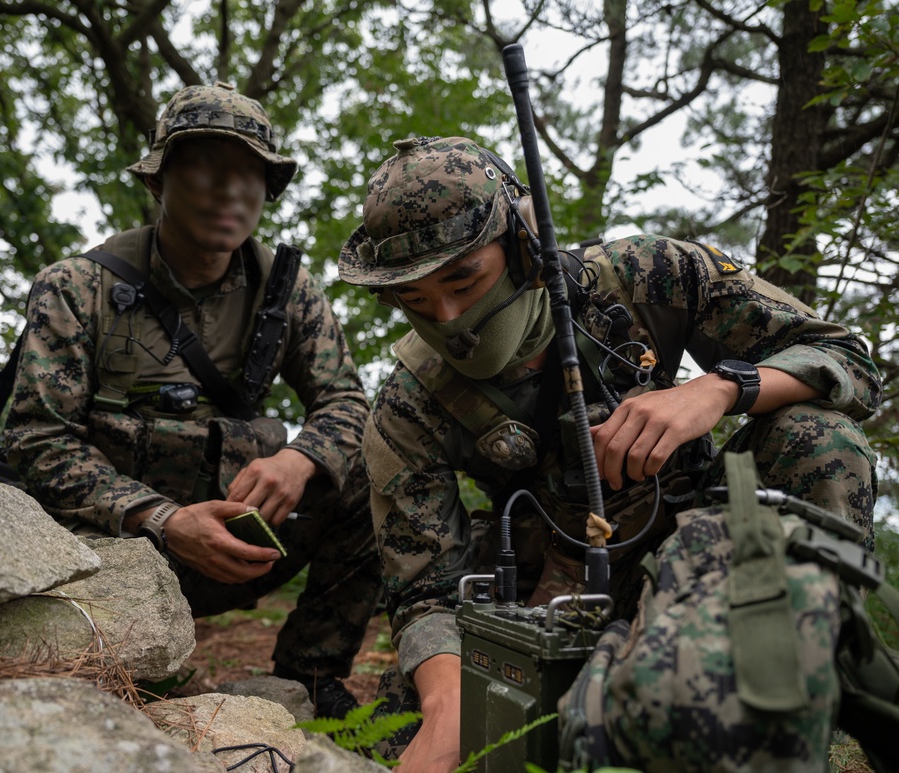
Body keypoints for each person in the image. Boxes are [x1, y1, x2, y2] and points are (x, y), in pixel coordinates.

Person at [337, 135, 881, 769]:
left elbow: (847, 360)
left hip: (696, 550)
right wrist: (451, 701)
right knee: (406, 740)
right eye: (416, 299)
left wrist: (718, 389)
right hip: (536, 588)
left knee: (817, 435)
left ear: (525, 244)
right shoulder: (409, 401)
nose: (451, 316)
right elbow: (425, 589)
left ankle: (798, 680)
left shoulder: (649, 276)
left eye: (464, 278)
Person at [4, 83, 381, 719]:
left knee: (370, 471)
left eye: (252, 174)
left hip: (242, 547)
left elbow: (347, 402)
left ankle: (313, 677)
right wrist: (161, 519)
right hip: (116, 554)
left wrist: (299, 461)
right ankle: (111, 674)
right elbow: (35, 438)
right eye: (207, 166)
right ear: (159, 182)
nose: (232, 190)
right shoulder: (77, 287)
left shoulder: (286, 292)